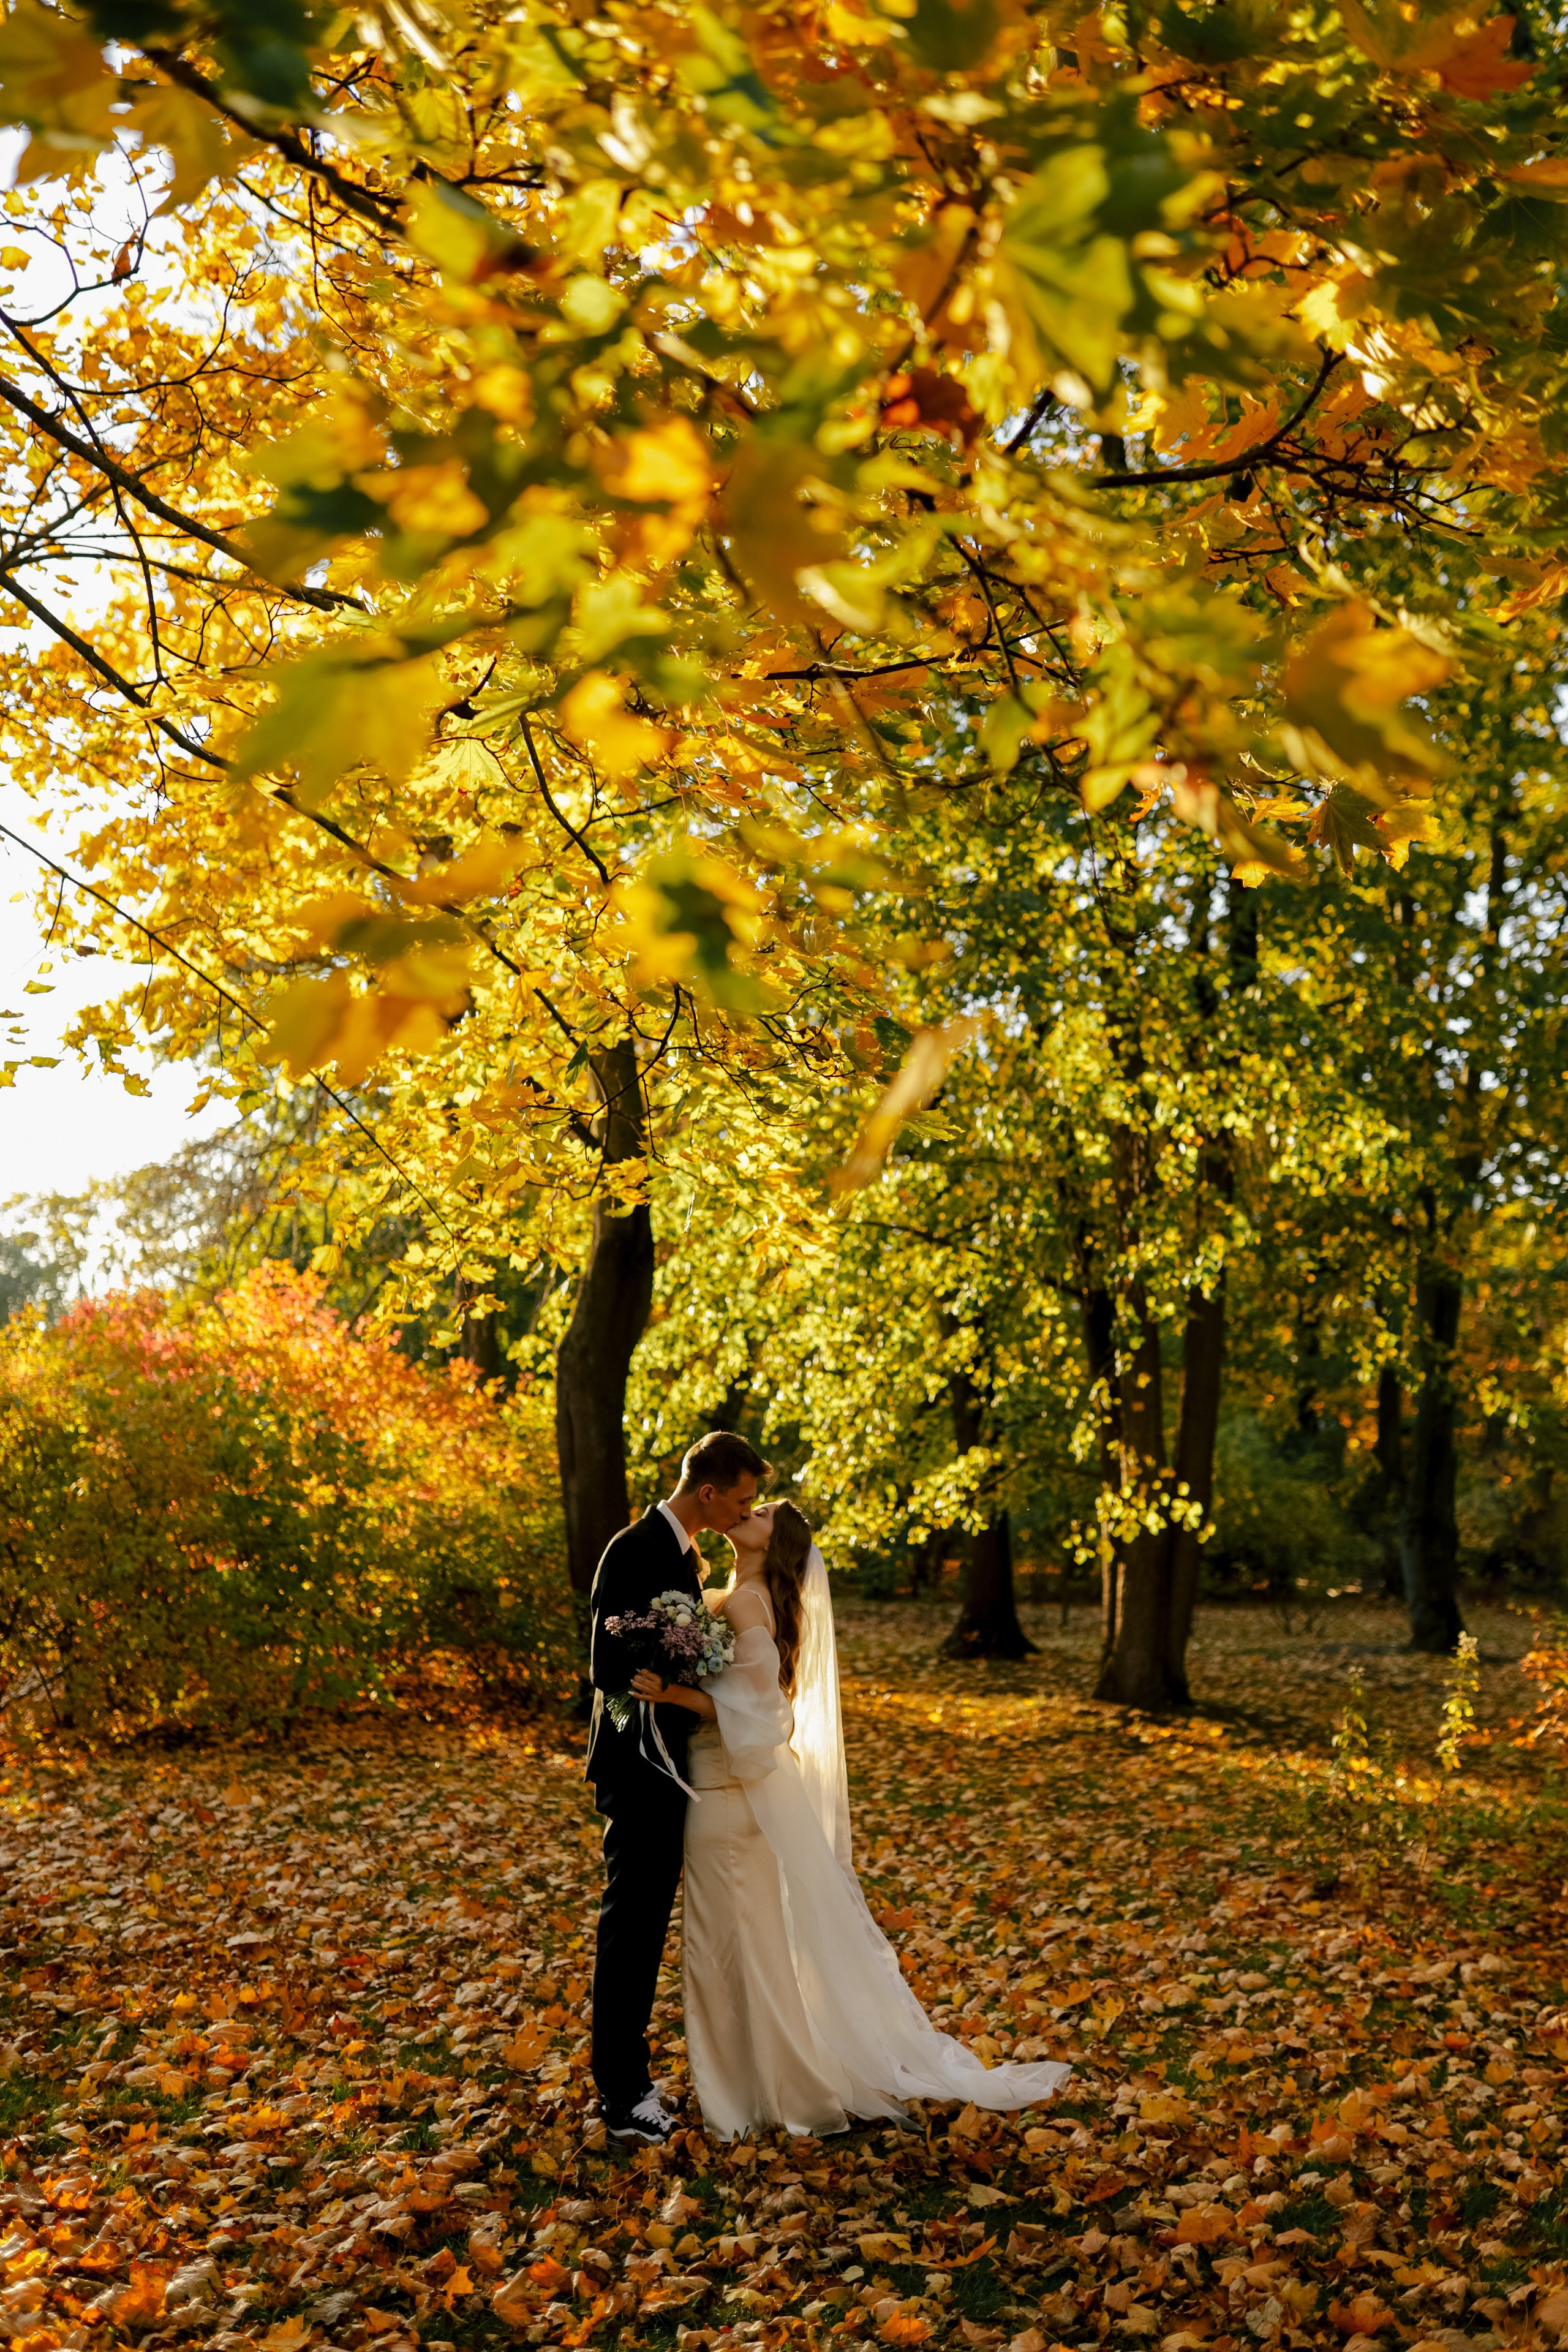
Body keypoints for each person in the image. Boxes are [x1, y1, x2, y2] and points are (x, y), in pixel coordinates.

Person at [630, 1499, 1072, 2139]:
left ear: (773, 1542)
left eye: (758, 1515)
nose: (743, 1513)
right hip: (724, 1792)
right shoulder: (736, 1593)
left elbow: (762, 1715)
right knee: (745, 1950)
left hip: (725, 1795)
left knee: (726, 1951)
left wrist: (672, 1693)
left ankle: (758, 2099)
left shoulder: (749, 1600)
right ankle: (767, 2087)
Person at [586, 1428, 769, 2145]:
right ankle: (622, 2095)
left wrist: (693, 1664)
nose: (744, 1512)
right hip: (637, 1769)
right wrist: (679, 1660)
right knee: (630, 1927)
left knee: (644, 1926)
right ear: (708, 1493)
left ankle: (628, 2079)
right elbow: (607, 1664)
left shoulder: (685, 1557)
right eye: (742, 1499)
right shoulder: (633, 1548)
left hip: (672, 1768)